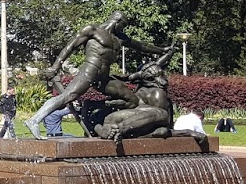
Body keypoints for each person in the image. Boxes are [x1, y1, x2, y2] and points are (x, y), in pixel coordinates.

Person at [24, 11, 169, 139]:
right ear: (118, 21)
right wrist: (55, 66)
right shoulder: (92, 30)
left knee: (132, 99)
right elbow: (70, 46)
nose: (123, 29)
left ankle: (98, 111)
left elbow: (142, 46)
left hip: (104, 78)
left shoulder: (120, 38)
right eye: (123, 25)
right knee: (68, 96)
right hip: (90, 70)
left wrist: (162, 50)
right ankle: (34, 120)